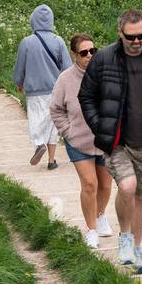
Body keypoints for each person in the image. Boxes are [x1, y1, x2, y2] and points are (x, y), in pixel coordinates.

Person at [79, 9, 142, 274]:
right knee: (127, 186)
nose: (136, 42)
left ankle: (136, 249)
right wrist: (101, 127)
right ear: (119, 33)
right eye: (131, 37)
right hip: (117, 141)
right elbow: (86, 97)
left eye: (141, 36)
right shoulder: (103, 60)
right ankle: (124, 237)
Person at [50, 34, 114, 249]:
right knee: (89, 184)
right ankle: (91, 229)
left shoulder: (106, 75)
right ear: (74, 55)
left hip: (104, 141)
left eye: (92, 51)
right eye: (84, 52)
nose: (89, 56)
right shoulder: (65, 79)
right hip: (78, 142)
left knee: (105, 185)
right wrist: (69, 132)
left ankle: (101, 214)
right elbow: (56, 109)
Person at [13, 4, 71, 170]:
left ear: (33, 21)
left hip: (34, 90)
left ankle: (39, 144)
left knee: (35, 119)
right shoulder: (58, 41)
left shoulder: (26, 42)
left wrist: (18, 82)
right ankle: (51, 161)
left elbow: (20, 67)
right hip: (55, 90)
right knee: (52, 123)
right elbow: (67, 67)